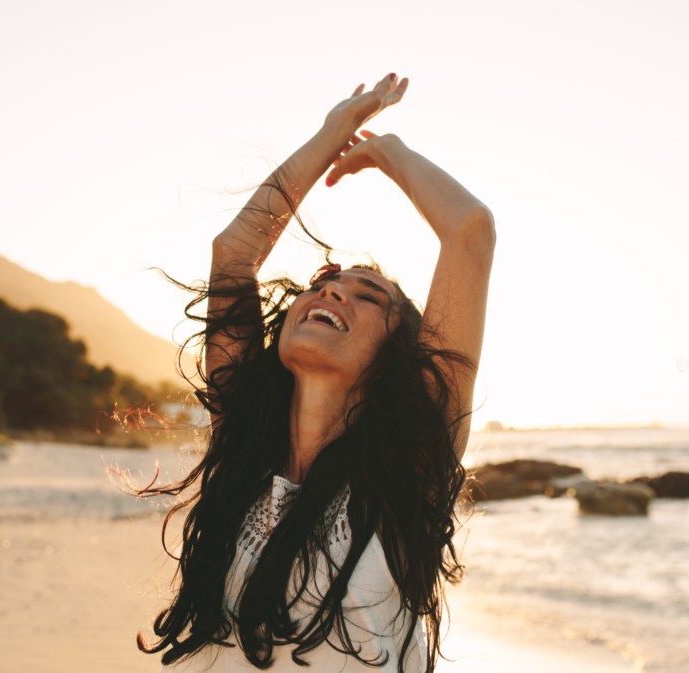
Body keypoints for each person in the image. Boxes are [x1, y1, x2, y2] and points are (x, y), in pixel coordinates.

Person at [139, 73, 496, 673]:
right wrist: (331, 133)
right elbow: (234, 254)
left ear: (397, 360)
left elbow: (470, 232)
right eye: (324, 285)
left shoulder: (403, 477)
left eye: (368, 296)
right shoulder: (246, 455)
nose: (332, 293)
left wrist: (388, 150)